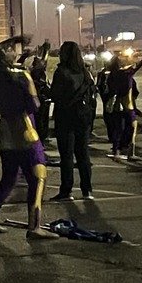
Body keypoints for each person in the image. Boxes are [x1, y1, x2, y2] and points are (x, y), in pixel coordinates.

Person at [0, 42, 51, 237]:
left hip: (5, 130)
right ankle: (35, 226)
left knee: (8, 178)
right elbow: (33, 105)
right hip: (25, 129)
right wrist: (32, 81)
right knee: (38, 177)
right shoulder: (20, 76)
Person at [49, 42, 97, 199]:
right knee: (83, 154)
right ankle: (87, 190)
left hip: (65, 116)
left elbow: (55, 95)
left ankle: (66, 190)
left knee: (67, 155)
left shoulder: (61, 72)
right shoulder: (85, 72)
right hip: (83, 117)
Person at [99, 52, 138, 161]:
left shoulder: (110, 75)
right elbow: (138, 66)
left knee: (117, 128)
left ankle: (116, 150)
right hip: (127, 105)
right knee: (132, 126)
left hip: (116, 104)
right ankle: (131, 151)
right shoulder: (126, 74)